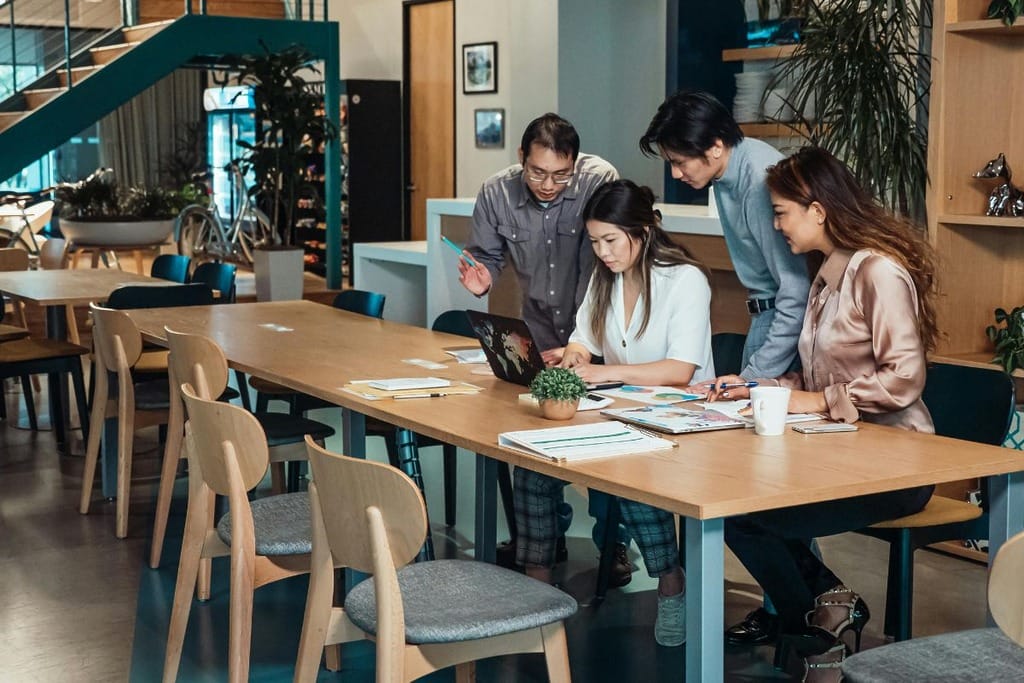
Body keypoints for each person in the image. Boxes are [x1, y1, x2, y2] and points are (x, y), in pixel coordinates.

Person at [707, 146, 938, 680]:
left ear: (818, 210)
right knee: (737, 508)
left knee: (748, 519)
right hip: (841, 454)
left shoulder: (878, 271)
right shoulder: (825, 276)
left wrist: (819, 401)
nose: (775, 223)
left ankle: (817, 639)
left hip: (900, 466)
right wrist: (757, 387)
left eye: (781, 211)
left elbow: (905, 377)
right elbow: (816, 379)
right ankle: (826, 611)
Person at [640, 89, 814, 644]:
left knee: (777, 480)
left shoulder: (764, 179)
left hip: (785, 326)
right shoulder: (726, 178)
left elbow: (794, 291)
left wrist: (757, 375)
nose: (675, 170)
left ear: (716, 146)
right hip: (766, 320)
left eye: (679, 159)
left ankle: (804, 610)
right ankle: (793, 605)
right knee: (765, 474)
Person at [514, 179, 714, 648]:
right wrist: (574, 356)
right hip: (618, 412)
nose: (602, 252)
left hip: (677, 419)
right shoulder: (606, 278)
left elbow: (681, 369)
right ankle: (535, 591)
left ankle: (671, 583)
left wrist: (603, 373)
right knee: (533, 468)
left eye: (611, 240)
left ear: (643, 231)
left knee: (633, 477)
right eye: (595, 241)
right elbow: (586, 336)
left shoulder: (684, 280)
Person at [456, 113, 632, 584]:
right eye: (537, 173)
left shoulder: (600, 180)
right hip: (538, 333)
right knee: (534, 440)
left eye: (560, 174)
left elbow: (616, 261)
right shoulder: (497, 191)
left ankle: (612, 544)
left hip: (595, 333)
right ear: (521, 159)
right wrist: (483, 278)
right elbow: (486, 256)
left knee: (601, 446)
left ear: (575, 163)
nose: (549, 184)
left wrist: (588, 342)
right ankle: (541, 540)